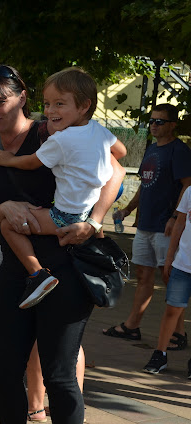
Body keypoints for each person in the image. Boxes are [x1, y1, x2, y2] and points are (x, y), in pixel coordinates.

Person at [0, 64, 125, 423]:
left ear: (22, 98)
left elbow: (117, 167)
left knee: (60, 375)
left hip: (68, 266)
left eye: (0, 101)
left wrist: (94, 220)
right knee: (5, 372)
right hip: (16, 272)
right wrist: (4, 209)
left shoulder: (54, 131)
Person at [0, 67, 126, 309]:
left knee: (7, 226)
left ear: (84, 105)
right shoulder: (99, 131)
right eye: (47, 104)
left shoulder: (62, 140)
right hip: (90, 212)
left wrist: (9, 159)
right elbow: (122, 152)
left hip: (65, 216)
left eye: (59, 104)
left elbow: (32, 161)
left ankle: (38, 275)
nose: (50, 111)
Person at [104, 103, 191, 348]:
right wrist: (127, 210)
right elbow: (145, 184)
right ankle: (132, 327)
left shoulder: (179, 150)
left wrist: (176, 218)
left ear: (172, 125)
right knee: (143, 275)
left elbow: (188, 185)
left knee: (170, 278)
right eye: (152, 120)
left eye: (160, 121)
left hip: (166, 226)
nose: (153, 125)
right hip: (144, 224)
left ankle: (178, 333)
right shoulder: (151, 149)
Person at [143, 186, 191, 375]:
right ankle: (160, 354)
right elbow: (179, 223)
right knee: (172, 309)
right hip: (183, 263)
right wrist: (170, 257)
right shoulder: (189, 191)